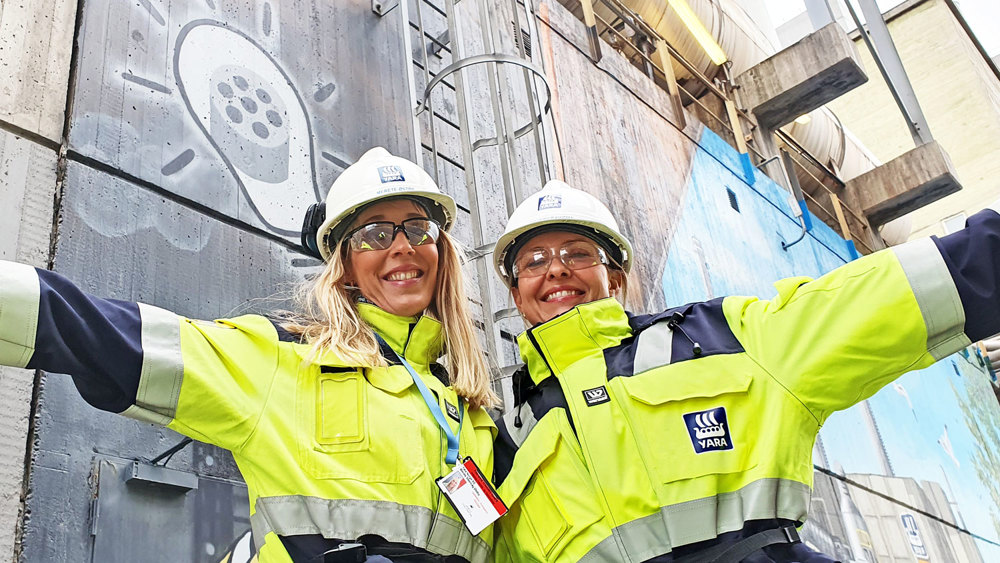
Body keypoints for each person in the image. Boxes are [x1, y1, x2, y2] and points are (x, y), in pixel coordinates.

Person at [0, 147, 500, 563]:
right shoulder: (284, 360)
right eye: (374, 234)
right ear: (344, 265)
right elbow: (101, 334)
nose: (402, 247)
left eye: (419, 228)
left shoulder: (473, 416)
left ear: (441, 252)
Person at [488, 179, 1000, 563]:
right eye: (533, 261)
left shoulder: (720, 337)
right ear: (516, 293)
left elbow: (870, 304)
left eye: (578, 254)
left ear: (615, 277)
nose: (555, 269)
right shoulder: (509, 442)